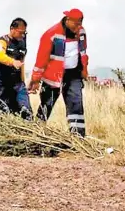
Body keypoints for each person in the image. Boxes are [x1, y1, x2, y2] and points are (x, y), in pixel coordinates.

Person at [28, 9, 89, 137]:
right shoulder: (51, 34)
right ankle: (36, 133)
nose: (78, 27)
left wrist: (84, 70)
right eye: (75, 24)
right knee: (47, 104)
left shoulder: (81, 32)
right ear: (67, 20)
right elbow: (41, 59)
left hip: (73, 75)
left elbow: (83, 52)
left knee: (76, 104)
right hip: (52, 77)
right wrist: (35, 78)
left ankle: (78, 137)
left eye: (80, 24)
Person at [0, 18, 33, 120]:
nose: (22, 35)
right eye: (20, 32)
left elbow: (22, 63)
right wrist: (12, 62)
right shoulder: (2, 41)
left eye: (24, 33)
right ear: (12, 29)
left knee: (26, 112)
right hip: (0, 83)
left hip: (17, 83)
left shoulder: (22, 42)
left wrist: (23, 81)